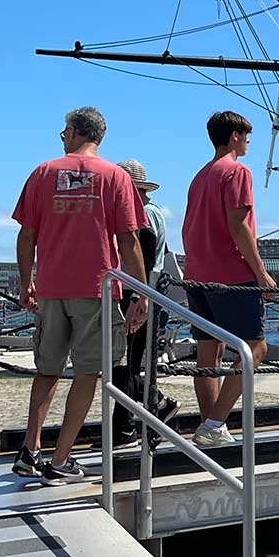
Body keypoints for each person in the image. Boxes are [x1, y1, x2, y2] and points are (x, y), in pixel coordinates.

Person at [11, 109, 147, 483]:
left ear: (72, 132)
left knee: (47, 370)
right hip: (96, 288)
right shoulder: (116, 177)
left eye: (63, 133)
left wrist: (25, 281)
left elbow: (26, 234)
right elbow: (129, 239)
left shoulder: (43, 172)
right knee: (87, 372)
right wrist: (141, 292)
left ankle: (30, 449)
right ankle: (61, 459)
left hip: (51, 286)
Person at [182, 110, 275, 448]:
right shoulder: (237, 171)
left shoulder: (200, 176)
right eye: (246, 135)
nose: (248, 141)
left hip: (197, 275)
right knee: (255, 348)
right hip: (231, 275)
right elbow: (238, 225)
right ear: (234, 136)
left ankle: (210, 428)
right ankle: (214, 424)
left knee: (208, 354)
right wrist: (261, 273)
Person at [109, 158, 180, 441]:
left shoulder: (142, 214)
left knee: (124, 362)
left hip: (136, 292)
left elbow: (146, 255)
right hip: (146, 290)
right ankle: (132, 418)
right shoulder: (154, 211)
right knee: (128, 361)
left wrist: (139, 296)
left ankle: (133, 419)